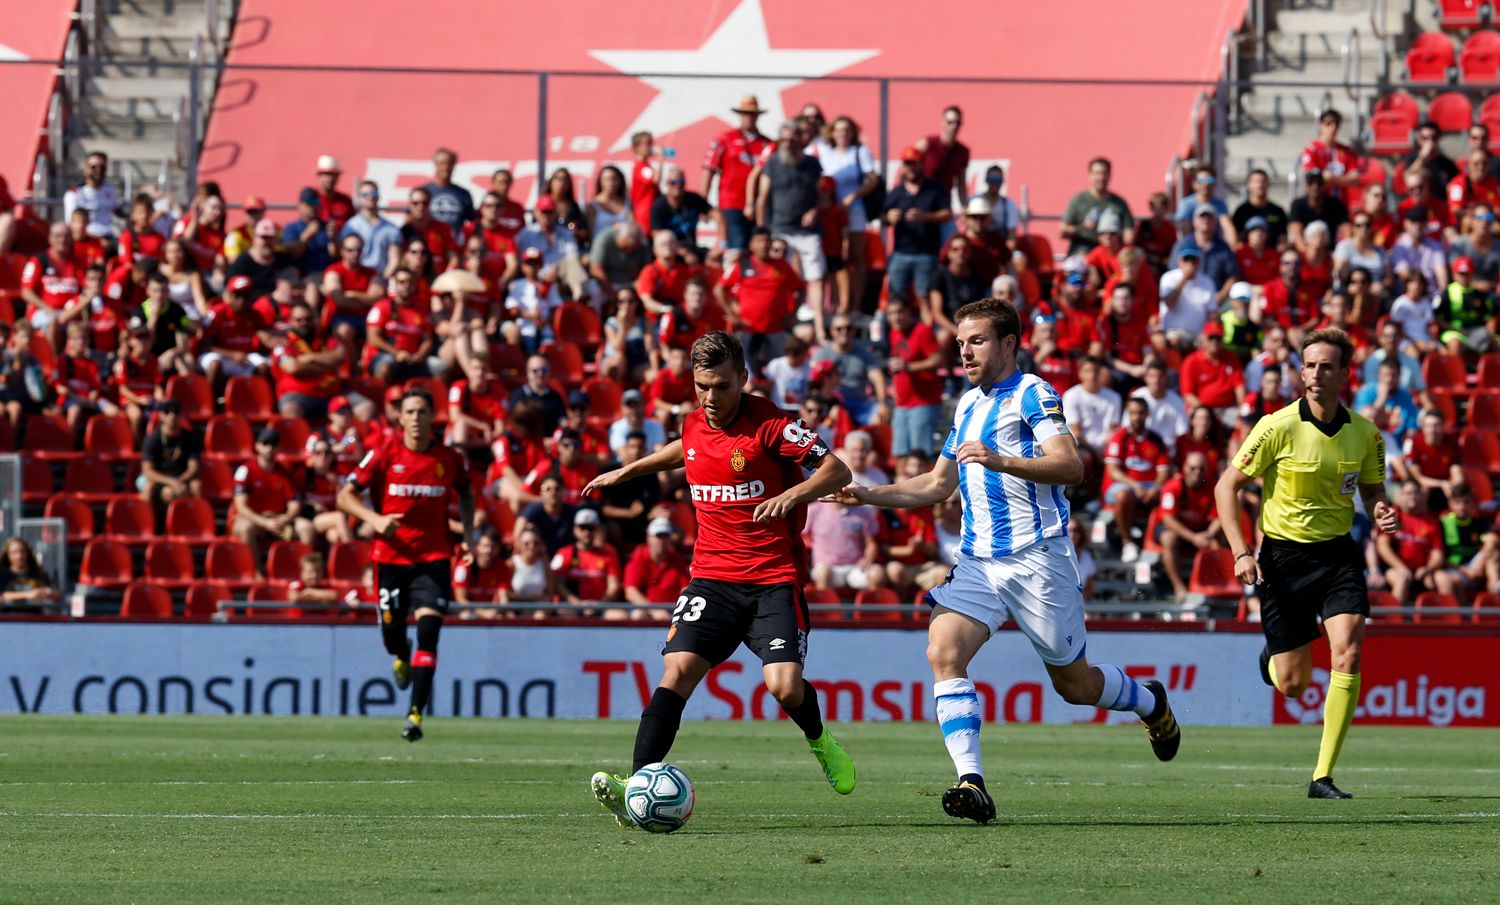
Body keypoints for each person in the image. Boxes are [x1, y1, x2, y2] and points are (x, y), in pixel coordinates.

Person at [834, 298, 1180, 824]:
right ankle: (971, 783)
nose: (964, 351)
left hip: (1037, 557)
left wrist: (1002, 460)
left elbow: (1071, 467)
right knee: (943, 651)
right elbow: (936, 484)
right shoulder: (967, 406)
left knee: (1076, 687)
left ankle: (1149, 702)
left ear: (1009, 343)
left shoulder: (1033, 393)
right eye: (960, 342)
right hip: (978, 560)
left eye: (976, 340)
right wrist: (868, 493)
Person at [584, 331, 858, 827]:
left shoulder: (774, 426)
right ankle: (636, 784)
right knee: (676, 674)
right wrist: (626, 472)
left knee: (783, 687)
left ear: (745, 379)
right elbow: (683, 448)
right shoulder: (694, 422)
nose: (711, 398)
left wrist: (793, 496)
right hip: (711, 579)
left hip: (773, 579)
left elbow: (838, 471)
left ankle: (819, 739)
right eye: (702, 386)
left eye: (723, 386)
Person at [1215, 327, 1397, 799]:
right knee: (1293, 685)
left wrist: (1379, 507)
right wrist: (1241, 552)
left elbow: (1375, 489)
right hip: (1282, 558)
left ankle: (1322, 776)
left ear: (1344, 374)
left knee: (1349, 651)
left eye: (1326, 366)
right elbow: (1226, 487)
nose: (1316, 373)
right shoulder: (1276, 426)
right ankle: (1272, 662)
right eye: (1309, 365)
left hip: (1337, 554)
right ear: (1301, 371)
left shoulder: (1366, 434)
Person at [339, 388, 477, 741]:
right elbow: (345, 495)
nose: (416, 418)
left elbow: (466, 494)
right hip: (390, 560)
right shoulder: (385, 453)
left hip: (433, 560)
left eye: (422, 411)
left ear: (433, 417)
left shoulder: (449, 459)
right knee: (393, 636)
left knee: (429, 632)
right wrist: (374, 519)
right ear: (400, 418)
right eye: (410, 412)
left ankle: (415, 714)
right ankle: (400, 656)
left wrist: (469, 537)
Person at [756, 121, 827, 315]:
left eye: (791, 140)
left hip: (807, 231)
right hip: (780, 228)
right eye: (784, 140)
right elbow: (762, 198)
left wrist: (814, 211)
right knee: (783, 275)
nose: (787, 144)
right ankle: (787, 314)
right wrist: (762, 232)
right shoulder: (773, 163)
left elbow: (823, 198)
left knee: (815, 275)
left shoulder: (812, 164)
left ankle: (818, 322)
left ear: (799, 140)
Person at [702, 95, 772, 261]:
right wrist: (703, 204)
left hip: (759, 208)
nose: (749, 117)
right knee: (736, 248)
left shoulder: (767, 144)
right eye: (745, 113)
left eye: (752, 114)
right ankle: (734, 283)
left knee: (758, 251)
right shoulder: (725, 139)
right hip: (731, 204)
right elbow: (708, 170)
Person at [1103, 397, 1171, 562]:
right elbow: (1114, 472)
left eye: (1140, 413)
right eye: (1133, 413)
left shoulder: (1156, 439)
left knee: (1169, 496)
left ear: (1147, 414)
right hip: (1123, 485)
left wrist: (1156, 487)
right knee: (1122, 494)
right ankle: (1127, 542)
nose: (1137, 417)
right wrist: (1136, 485)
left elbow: (1163, 471)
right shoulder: (1119, 437)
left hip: (1149, 485)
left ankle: (1157, 541)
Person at [883, 146, 952, 302]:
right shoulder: (897, 192)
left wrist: (925, 217)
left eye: (915, 163)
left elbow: (947, 213)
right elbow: (883, 217)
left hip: (926, 252)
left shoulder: (934, 188)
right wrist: (889, 217)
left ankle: (925, 326)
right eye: (908, 164)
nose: (912, 168)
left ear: (922, 164)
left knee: (925, 296)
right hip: (900, 252)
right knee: (896, 297)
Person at [1157, 452, 1222, 603]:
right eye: (1192, 468)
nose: (1197, 473)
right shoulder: (1173, 486)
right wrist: (1193, 538)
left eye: (1201, 469)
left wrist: (1208, 535)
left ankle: (1213, 587)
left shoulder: (1213, 487)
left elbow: (1220, 516)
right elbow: (1168, 518)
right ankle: (1179, 586)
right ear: (1184, 468)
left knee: (1218, 544)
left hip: (1201, 531)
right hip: (1177, 530)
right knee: (1169, 539)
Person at [886, 293, 946, 456]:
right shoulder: (894, 333)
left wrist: (909, 367)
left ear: (909, 312)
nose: (895, 317)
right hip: (902, 403)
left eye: (899, 312)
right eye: (891, 313)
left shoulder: (922, 331)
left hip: (923, 402)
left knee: (919, 456)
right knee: (900, 456)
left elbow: (938, 360)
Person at [1376, 479, 1451, 607]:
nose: (1412, 497)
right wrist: (1400, 567)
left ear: (1421, 495)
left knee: (1444, 579)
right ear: (1401, 496)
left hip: (1423, 571)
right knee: (1402, 578)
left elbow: (1438, 554)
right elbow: (1383, 545)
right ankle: (1394, 622)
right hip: (1396, 569)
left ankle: (1450, 621)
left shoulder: (1431, 522)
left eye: (1416, 493)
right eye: (1408, 493)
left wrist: (1427, 570)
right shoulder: (1394, 516)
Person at [1061, 157, 1133, 256]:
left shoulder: (1119, 203)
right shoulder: (1078, 200)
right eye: (1097, 173)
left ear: (1109, 175)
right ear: (1090, 175)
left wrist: (1113, 237)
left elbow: (1128, 234)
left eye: (1104, 173)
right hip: (1083, 251)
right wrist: (1082, 228)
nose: (1100, 177)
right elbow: (1062, 231)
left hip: (1110, 252)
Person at [621, 517, 690, 620]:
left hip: (673, 609)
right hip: (646, 610)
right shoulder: (639, 557)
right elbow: (631, 591)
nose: (661, 540)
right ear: (648, 538)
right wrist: (654, 609)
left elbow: (685, 589)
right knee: (638, 615)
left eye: (665, 536)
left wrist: (682, 608)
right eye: (658, 536)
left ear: (670, 538)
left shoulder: (676, 559)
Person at [139, 399, 202, 509]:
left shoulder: (190, 438)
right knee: (149, 487)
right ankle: (150, 523)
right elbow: (147, 471)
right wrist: (171, 483)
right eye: (167, 412)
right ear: (161, 416)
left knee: (196, 485)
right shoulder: (152, 439)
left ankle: (199, 521)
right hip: (158, 478)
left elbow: (193, 468)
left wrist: (179, 481)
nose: (172, 415)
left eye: (176, 412)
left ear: (181, 415)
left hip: (181, 477)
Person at [652, 164, 713, 265]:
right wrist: (684, 253)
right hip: (671, 250)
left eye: (681, 182)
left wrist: (721, 244)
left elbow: (717, 214)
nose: (678, 186)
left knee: (714, 259)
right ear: (667, 184)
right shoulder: (659, 206)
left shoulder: (693, 199)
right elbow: (658, 236)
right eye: (673, 182)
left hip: (692, 246)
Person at [340, 180, 402, 272]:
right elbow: (344, 256)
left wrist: (382, 280)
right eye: (365, 194)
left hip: (380, 279)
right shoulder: (351, 226)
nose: (370, 196)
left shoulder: (391, 229)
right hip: (358, 278)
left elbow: (394, 259)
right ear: (359, 198)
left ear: (378, 196)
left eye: (373, 193)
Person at [422, 148, 476, 241]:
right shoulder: (424, 192)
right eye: (442, 163)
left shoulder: (464, 194)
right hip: (430, 245)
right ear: (435, 164)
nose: (446, 167)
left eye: (449, 163)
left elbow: (473, 222)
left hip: (455, 246)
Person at [1231, 168, 1290, 248]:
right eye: (1256, 182)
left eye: (1263, 181)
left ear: (1269, 184)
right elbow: (1236, 240)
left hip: (1271, 256)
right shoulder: (1241, 211)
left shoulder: (1277, 211)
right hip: (1248, 256)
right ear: (1249, 185)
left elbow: (1283, 238)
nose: (1260, 185)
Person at [0, 537, 62, 612]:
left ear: (28, 553)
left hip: (35, 619)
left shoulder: (37, 573)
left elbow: (58, 595)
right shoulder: (3, 575)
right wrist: (28, 595)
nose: (19, 556)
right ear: (8, 555)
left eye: (22, 551)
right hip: (10, 619)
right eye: (14, 552)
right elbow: (3, 596)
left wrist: (47, 593)